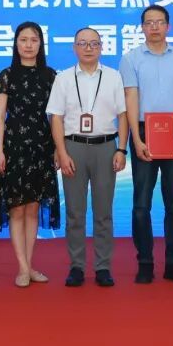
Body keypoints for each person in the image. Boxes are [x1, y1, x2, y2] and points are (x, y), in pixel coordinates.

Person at [119, 4, 173, 285]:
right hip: (143, 132)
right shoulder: (130, 59)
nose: (154, 27)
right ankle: (145, 262)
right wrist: (136, 138)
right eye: (149, 22)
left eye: (159, 22)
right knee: (141, 203)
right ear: (142, 27)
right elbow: (130, 99)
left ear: (168, 26)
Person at [46, 27, 128, 288]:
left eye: (94, 43)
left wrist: (121, 149)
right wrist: (61, 152)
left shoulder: (114, 77)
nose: (88, 48)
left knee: (103, 212)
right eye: (82, 43)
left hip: (105, 147)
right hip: (74, 147)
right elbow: (56, 117)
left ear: (102, 47)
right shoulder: (63, 78)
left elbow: (123, 115)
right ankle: (77, 267)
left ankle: (103, 267)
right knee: (75, 212)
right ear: (74, 48)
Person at [0, 22, 61, 288]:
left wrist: (58, 148)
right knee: (16, 208)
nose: (28, 44)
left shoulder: (51, 76)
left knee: (33, 208)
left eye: (34, 40)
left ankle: (29, 266)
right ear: (16, 43)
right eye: (23, 39)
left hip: (42, 146)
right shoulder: (7, 75)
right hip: (14, 146)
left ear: (41, 44)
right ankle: (21, 267)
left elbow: (56, 116)